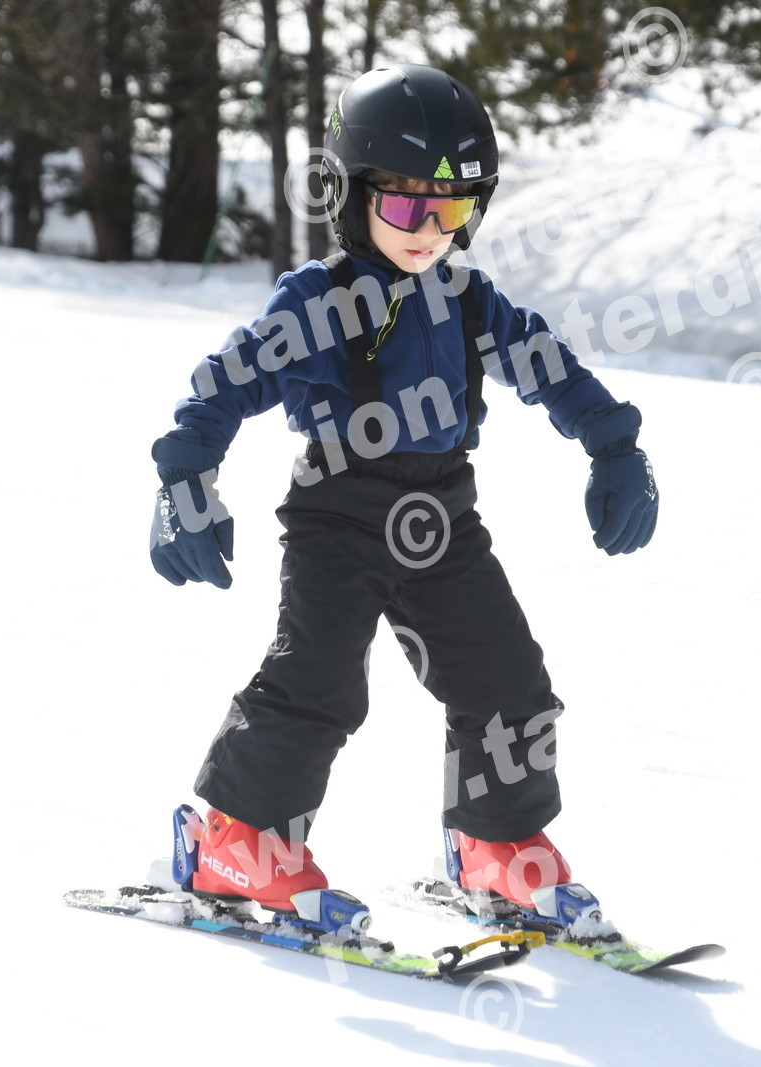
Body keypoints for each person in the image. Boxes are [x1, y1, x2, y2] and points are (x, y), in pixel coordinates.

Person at [147, 64, 658, 936]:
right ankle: (235, 840)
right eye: (406, 206)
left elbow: (547, 364)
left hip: (443, 516)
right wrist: (185, 478)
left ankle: (494, 841)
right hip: (338, 513)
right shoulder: (316, 301)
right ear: (350, 196)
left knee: (509, 681)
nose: (429, 231)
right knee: (317, 682)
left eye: (452, 210)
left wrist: (614, 445)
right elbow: (225, 382)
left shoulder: (468, 300)